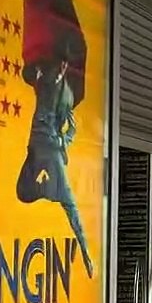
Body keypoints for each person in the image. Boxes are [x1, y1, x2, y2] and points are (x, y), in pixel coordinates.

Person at [16, 51, 95, 278]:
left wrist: (63, 140)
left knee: (70, 204)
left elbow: (71, 128)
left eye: (61, 65)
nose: (58, 68)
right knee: (22, 192)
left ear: (65, 66)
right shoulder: (44, 80)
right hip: (36, 146)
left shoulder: (66, 93)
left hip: (51, 151)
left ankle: (86, 254)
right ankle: (48, 190)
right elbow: (28, 74)